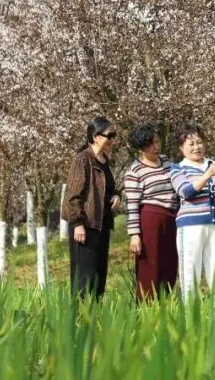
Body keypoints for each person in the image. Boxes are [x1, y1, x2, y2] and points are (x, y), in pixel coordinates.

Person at [170, 124, 215, 298]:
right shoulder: (177, 168)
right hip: (190, 227)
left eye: (199, 142)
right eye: (190, 144)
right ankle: (191, 319)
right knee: (190, 275)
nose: (196, 147)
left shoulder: (214, 164)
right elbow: (186, 191)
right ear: (181, 148)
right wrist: (208, 174)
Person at [61, 116, 121, 299]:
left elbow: (109, 188)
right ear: (95, 136)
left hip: (102, 225)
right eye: (109, 135)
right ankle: (80, 319)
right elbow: (73, 194)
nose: (112, 140)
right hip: (86, 225)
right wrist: (77, 223)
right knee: (84, 277)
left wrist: (116, 195)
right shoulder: (82, 159)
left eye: (114, 136)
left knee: (99, 275)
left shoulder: (105, 160)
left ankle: (96, 318)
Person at [124, 123, 179, 301]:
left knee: (170, 265)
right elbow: (132, 205)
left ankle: (166, 305)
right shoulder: (135, 171)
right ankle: (146, 312)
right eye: (149, 145)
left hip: (172, 220)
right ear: (141, 148)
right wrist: (134, 234)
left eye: (156, 141)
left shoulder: (166, 162)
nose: (155, 147)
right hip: (151, 220)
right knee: (150, 268)